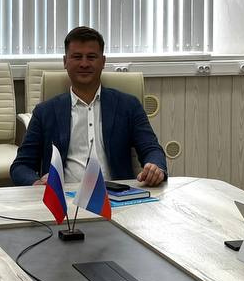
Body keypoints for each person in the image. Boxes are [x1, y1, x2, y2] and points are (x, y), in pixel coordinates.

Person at [11, 26, 167, 186]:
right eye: (77, 57)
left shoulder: (128, 105)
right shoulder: (45, 112)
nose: (84, 64)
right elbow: (21, 166)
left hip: (116, 195)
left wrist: (156, 167)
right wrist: (36, 183)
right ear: (65, 62)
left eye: (91, 57)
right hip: (63, 197)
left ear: (103, 62)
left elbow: (151, 149)